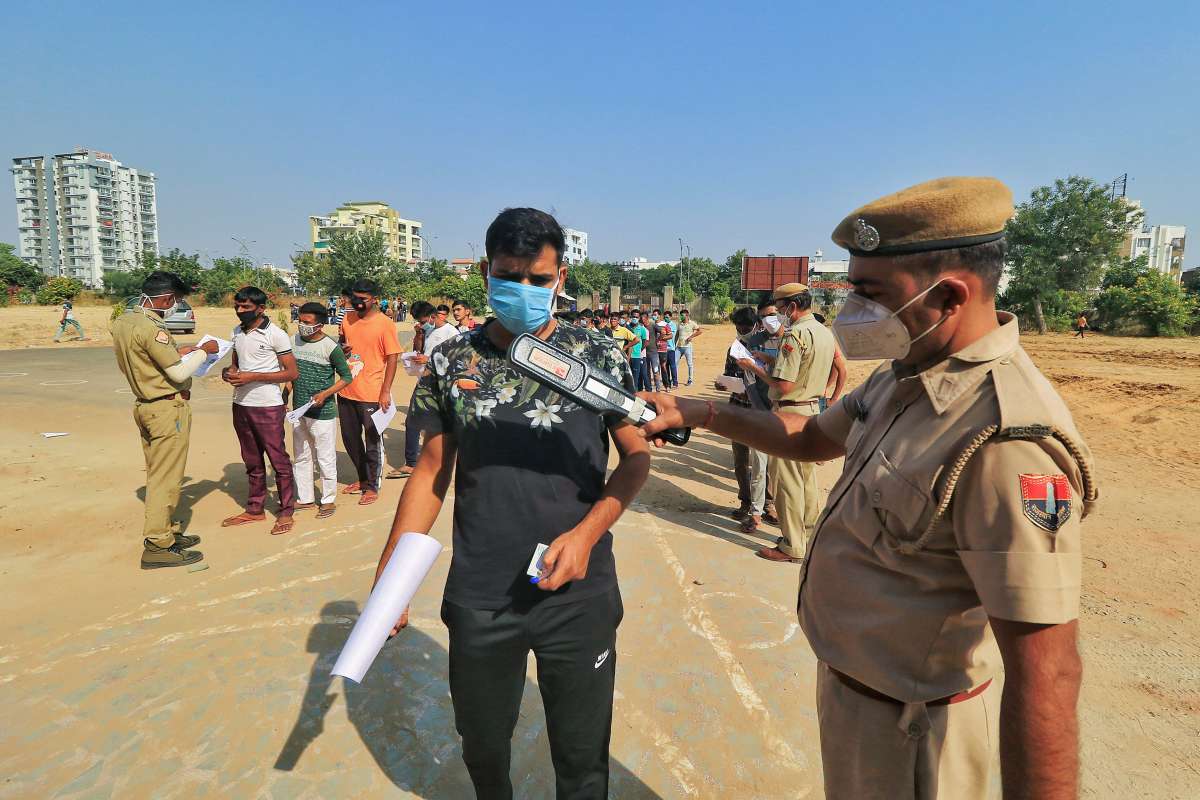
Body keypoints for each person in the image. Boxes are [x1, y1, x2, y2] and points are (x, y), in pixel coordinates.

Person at [641, 176, 1097, 800]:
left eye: (870, 293)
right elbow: (808, 438)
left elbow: (1046, 671)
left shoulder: (1003, 435)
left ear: (952, 295)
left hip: (914, 735)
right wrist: (698, 413)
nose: (853, 311)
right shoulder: (905, 374)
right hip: (859, 701)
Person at [377, 207, 649, 798]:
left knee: (581, 757)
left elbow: (635, 458)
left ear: (560, 278)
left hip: (579, 591)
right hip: (482, 592)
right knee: (483, 745)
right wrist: (390, 581)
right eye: (509, 275)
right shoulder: (451, 361)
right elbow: (429, 472)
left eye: (537, 279)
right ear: (485, 271)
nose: (522, 289)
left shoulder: (595, 356)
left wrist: (585, 535)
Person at [112, 271, 217, 569]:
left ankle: (168, 532)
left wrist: (180, 351)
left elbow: (143, 359)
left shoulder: (124, 321)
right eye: (176, 300)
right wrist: (202, 351)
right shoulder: (152, 328)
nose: (175, 305)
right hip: (165, 408)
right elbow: (179, 374)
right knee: (166, 479)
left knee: (157, 473)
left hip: (144, 405)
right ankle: (158, 544)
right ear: (168, 298)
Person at [221, 286, 299, 535]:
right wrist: (229, 374)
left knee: (278, 460)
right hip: (241, 404)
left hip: (267, 405)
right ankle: (255, 509)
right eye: (237, 306)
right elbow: (235, 365)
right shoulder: (237, 332)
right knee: (252, 460)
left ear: (261, 309)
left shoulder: (276, 335)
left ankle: (286, 510)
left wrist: (253, 376)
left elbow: (291, 372)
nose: (240, 311)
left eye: (246, 307)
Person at [337, 279, 402, 505]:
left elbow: (393, 357)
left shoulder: (385, 324)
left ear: (375, 298)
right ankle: (362, 479)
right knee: (350, 440)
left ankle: (373, 486)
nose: (357, 303)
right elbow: (343, 345)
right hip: (345, 390)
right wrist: (342, 349)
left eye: (362, 299)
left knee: (373, 441)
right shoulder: (347, 318)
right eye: (354, 298)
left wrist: (385, 391)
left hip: (372, 393)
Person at [290, 302, 354, 519]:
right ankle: (306, 498)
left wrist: (325, 394)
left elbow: (346, 377)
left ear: (319, 324)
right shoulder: (294, 341)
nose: (302, 326)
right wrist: (284, 395)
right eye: (300, 320)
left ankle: (328, 500)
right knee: (301, 456)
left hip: (323, 412)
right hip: (299, 410)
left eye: (307, 322)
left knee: (325, 457)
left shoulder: (331, 347)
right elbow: (291, 372)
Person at [389, 300, 459, 479]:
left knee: (445, 424)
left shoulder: (451, 333)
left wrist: (429, 360)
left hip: (443, 386)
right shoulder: (428, 331)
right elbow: (418, 350)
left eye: (422, 321)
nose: (420, 324)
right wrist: (419, 335)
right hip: (424, 382)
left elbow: (459, 361)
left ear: (433, 316)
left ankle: (446, 461)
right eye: (418, 322)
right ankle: (411, 462)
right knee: (413, 421)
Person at [723, 307, 777, 533]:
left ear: (756, 325)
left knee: (764, 463)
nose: (741, 331)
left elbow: (776, 379)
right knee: (740, 460)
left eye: (745, 327)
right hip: (739, 408)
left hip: (762, 410)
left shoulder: (768, 345)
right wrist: (724, 383)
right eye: (738, 327)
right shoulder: (734, 347)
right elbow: (728, 373)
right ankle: (745, 502)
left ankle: (769, 504)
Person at [675, 309, 702, 385]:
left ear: (687, 315)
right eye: (680, 315)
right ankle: (674, 379)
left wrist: (691, 336)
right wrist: (674, 344)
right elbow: (677, 334)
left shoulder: (692, 323)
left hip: (687, 347)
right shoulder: (679, 324)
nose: (681, 317)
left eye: (682, 315)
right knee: (675, 363)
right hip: (679, 347)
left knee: (690, 364)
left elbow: (699, 331)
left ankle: (690, 379)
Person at [630, 312, 651, 392]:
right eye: (633, 316)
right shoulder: (628, 328)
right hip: (628, 356)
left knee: (642, 374)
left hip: (640, 356)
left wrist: (639, 350)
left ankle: (648, 390)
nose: (635, 318)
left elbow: (645, 342)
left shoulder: (643, 329)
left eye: (637, 317)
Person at [662, 311, 680, 389]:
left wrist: (663, 334)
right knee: (665, 366)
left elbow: (670, 336)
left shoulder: (673, 325)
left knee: (672, 366)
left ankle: (675, 382)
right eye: (665, 317)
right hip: (663, 349)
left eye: (667, 317)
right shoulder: (662, 325)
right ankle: (668, 383)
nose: (666, 318)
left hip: (671, 348)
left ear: (671, 317)